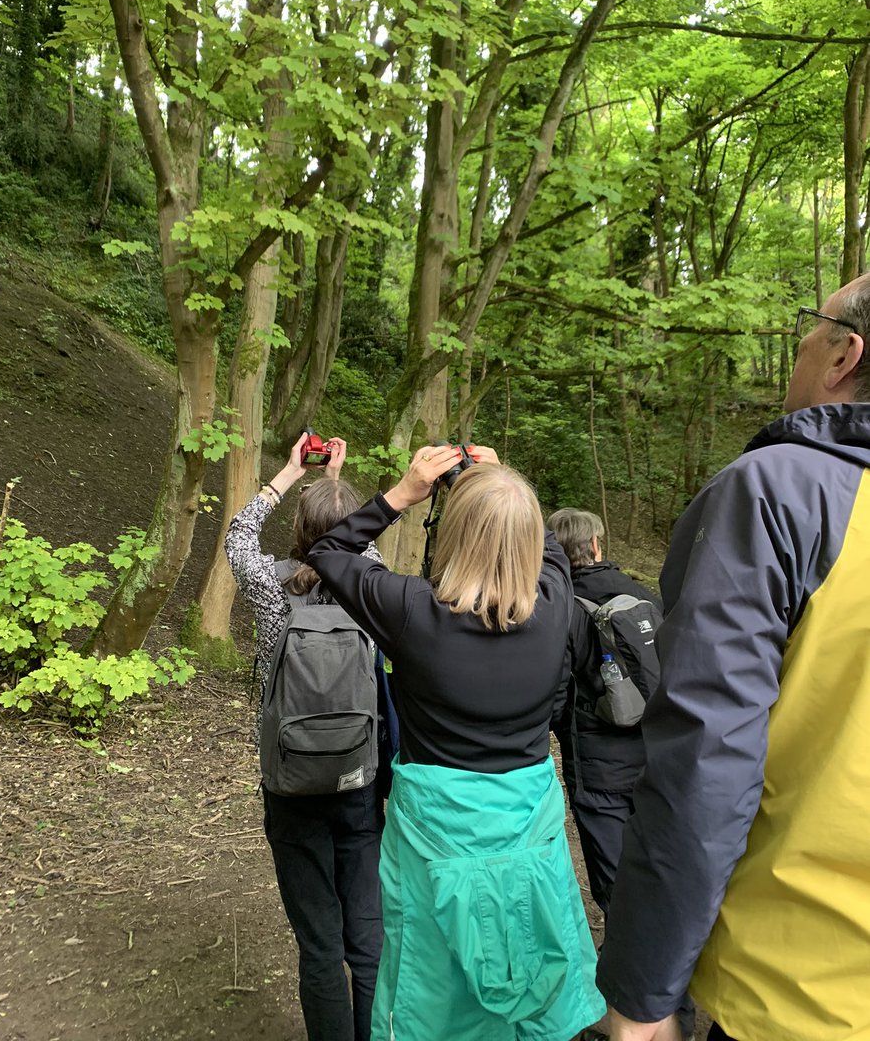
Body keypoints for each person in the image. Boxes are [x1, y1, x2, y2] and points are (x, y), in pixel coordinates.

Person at [597, 275, 870, 1041]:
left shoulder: (780, 494)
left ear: (845, 355)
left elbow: (704, 766)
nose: (799, 344)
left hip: (801, 995)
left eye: (809, 329)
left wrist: (643, 995)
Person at [307, 444, 605, 1041]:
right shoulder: (554, 606)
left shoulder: (412, 611)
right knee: (528, 951)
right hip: (527, 823)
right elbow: (541, 546)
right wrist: (492, 477)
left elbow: (328, 550)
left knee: (433, 987)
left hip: (436, 832)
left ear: (454, 533)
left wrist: (404, 492)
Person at [225, 435, 384, 1041]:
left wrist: (291, 474)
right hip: (357, 780)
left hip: (290, 784)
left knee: (319, 944)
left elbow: (238, 536)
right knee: (366, 937)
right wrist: (338, 484)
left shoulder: (270, 584)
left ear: (299, 528)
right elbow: (358, 546)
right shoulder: (370, 585)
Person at [548, 507, 661, 917]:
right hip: (654, 751)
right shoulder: (645, 596)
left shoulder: (558, 607)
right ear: (596, 545)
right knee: (654, 859)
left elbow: (556, 693)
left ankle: (620, 964)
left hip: (596, 762)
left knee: (611, 873)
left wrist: (566, 729)